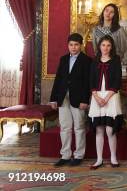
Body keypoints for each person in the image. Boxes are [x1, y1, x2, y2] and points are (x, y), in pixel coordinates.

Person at [49, 33, 91, 167]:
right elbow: (58, 80)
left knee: (79, 126)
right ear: (68, 45)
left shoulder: (87, 60)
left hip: (78, 98)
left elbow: (87, 83)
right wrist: (53, 98)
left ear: (81, 45)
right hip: (63, 97)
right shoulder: (63, 59)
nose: (73, 47)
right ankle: (65, 155)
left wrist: (85, 100)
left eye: (76, 45)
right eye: (71, 45)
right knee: (65, 127)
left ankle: (79, 155)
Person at [88, 35, 123, 169]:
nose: (106, 48)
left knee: (110, 130)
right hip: (97, 96)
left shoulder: (116, 60)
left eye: (108, 45)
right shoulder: (94, 61)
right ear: (99, 46)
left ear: (111, 47)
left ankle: (113, 157)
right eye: (103, 45)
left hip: (111, 96)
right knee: (99, 130)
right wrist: (96, 97)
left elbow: (117, 80)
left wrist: (107, 98)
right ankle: (99, 159)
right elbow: (91, 80)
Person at [92, 3, 127, 71]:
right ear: (103, 12)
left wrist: (117, 60)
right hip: (100, 63)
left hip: (114, 63)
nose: (108, 13)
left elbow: (123, 48)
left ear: (115, 15)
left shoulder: (119, 30)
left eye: (111, 12)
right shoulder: (95, 30)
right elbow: (95, 49)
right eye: (106, 10)